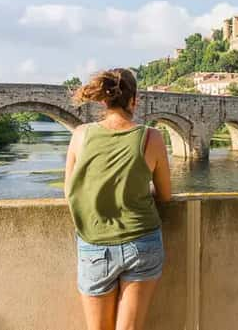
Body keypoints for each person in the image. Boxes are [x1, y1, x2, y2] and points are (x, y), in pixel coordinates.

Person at [65, 68, 172, 330]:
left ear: (104, 100)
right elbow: (166, 195)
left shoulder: (80, 135)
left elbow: (70, 191)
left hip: (95, 243)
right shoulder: (151, 137)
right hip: (142, 241)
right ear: (134, 100)